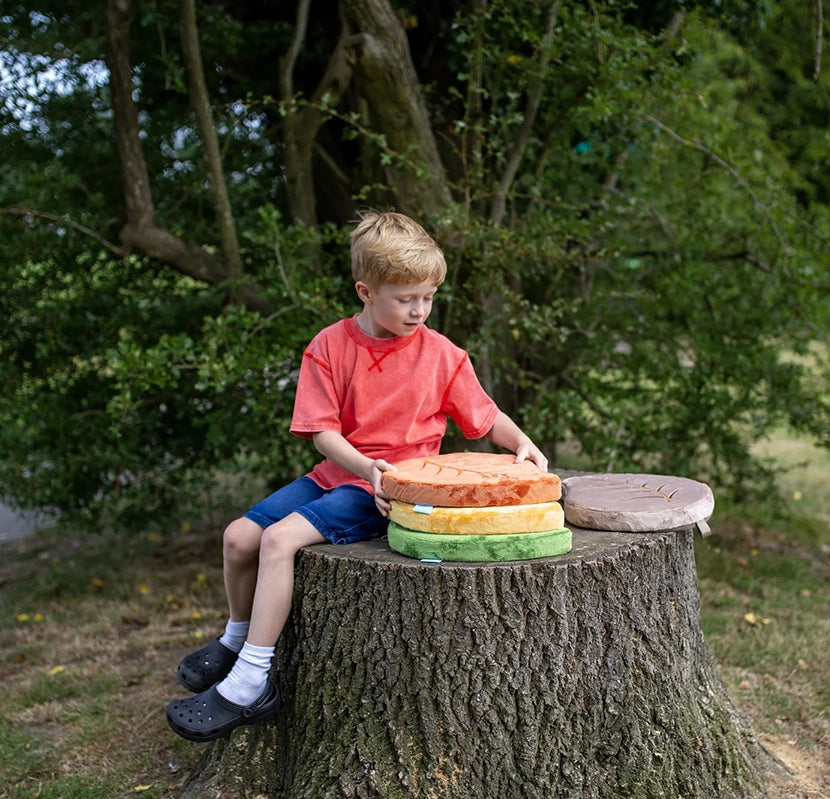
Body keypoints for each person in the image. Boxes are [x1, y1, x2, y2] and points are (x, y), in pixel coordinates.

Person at [165, 210, 548, 742]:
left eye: (428, 297)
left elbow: (484, 415)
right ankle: (235, 637)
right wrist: (365, 466)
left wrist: (523, 442)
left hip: (394, 489)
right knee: (238, 538)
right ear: (366, 291)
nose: (420, 311)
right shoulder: (329, 346)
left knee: (278, 541)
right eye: (405, 298)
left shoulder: (441, 355)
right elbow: (322, 433)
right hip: (343, 473)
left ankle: (252, 683)